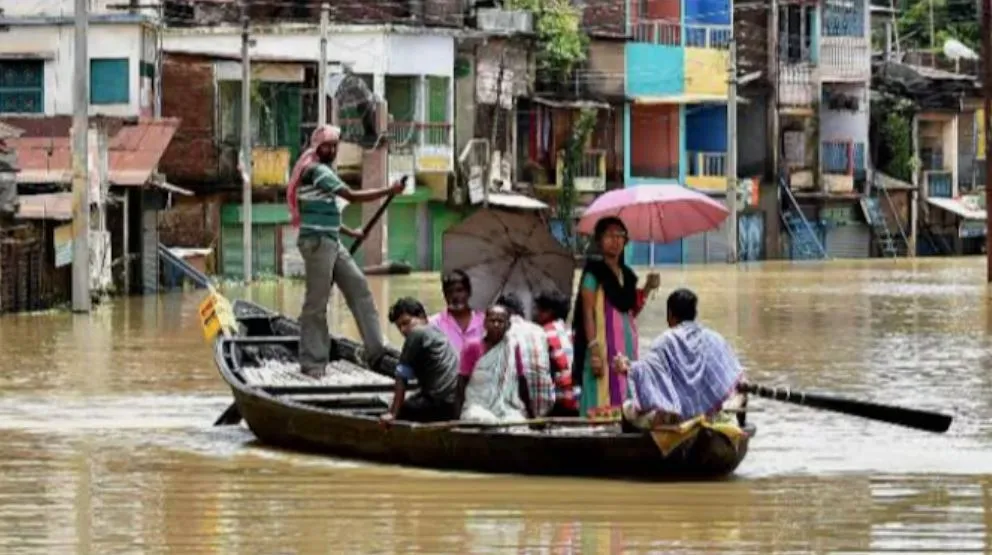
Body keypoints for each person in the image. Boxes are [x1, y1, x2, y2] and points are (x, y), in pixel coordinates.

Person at [287, 124, 405, 377]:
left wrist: (352, 233)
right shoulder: (315, 170)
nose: (330, 149)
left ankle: (376, 350)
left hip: (330, 240)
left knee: (359, 288)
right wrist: (389, 190)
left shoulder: (323, 171)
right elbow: (350, 196)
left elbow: (326, 214)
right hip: (318, 243)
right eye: (325, 146)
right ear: (317, 147)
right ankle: (313, 363)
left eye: (333, 145)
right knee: (316, 304)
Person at [614, 288, 746, 431]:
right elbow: (736, 377)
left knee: (627, 409)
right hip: (711, 414)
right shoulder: (714, 338)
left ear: (670, 314)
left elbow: (646, 374)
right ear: (694, 314)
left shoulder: (664, 342)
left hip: (676, 419)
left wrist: (626, 367)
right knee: (736, 401)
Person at [572, 216, 661, 419]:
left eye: (620, 236)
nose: (616, 240)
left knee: (625, 388)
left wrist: (647, 287)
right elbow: (587, 312)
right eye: (610, 235)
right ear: (599, 240)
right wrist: (594, 349)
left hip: (626, 348)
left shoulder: (628, 276)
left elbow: (630, 312)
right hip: (602, 347)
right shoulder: (593, 274)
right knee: (600, 392)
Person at [380, 297, 460, 424]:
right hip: (456, 403)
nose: (403, 330)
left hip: (441, 405)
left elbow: (401, 377)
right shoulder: (435, 332)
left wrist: (393, 414)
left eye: (406, 323)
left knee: (399, 408)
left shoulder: (416, 333)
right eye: (399, 326)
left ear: (422, 316)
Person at [455, 305, 536, 424]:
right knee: (483, 420)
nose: (496, 324)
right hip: (477, 406)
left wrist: (531, 414)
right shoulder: (473, 347)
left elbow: (521, 379)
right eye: (492, 321)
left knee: (517, 423)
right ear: (485, 324)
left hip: (506, 407)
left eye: (501, 321)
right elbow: (461, 382)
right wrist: (456, 416)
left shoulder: (512, 346)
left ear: (508, 326)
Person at [496, 293, 554, 416]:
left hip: (515, 411)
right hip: (545, 406)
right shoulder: (539, 331)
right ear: (521, 311)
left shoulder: (500, 332)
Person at [533, 289, 578, 416]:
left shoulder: (542, 334)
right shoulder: (570, 331)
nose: (535, 313)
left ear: (548, 312)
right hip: (580, 398)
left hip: (560, 401)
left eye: (538, 309)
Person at [429, 270, 484, 354]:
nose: (455, 296)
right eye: (449, 292)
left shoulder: (484, 322)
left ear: (469, 292)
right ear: (444, 295)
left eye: (459, 290)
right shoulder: (434, 324)